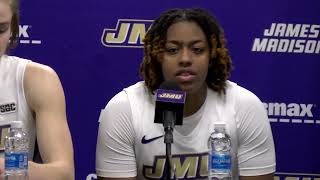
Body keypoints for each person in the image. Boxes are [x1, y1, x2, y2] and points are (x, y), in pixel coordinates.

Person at [96, 8, 276, 180]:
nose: (185, 59)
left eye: (197, 50)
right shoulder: (124, 109)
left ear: (212, 55)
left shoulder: (244, 105)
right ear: (157, 56)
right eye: (172, 50)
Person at [0, 0, 74, 179]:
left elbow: (63, 173)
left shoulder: (36, 79)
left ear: (13, 28)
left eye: (0, 29)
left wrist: (8, 166)